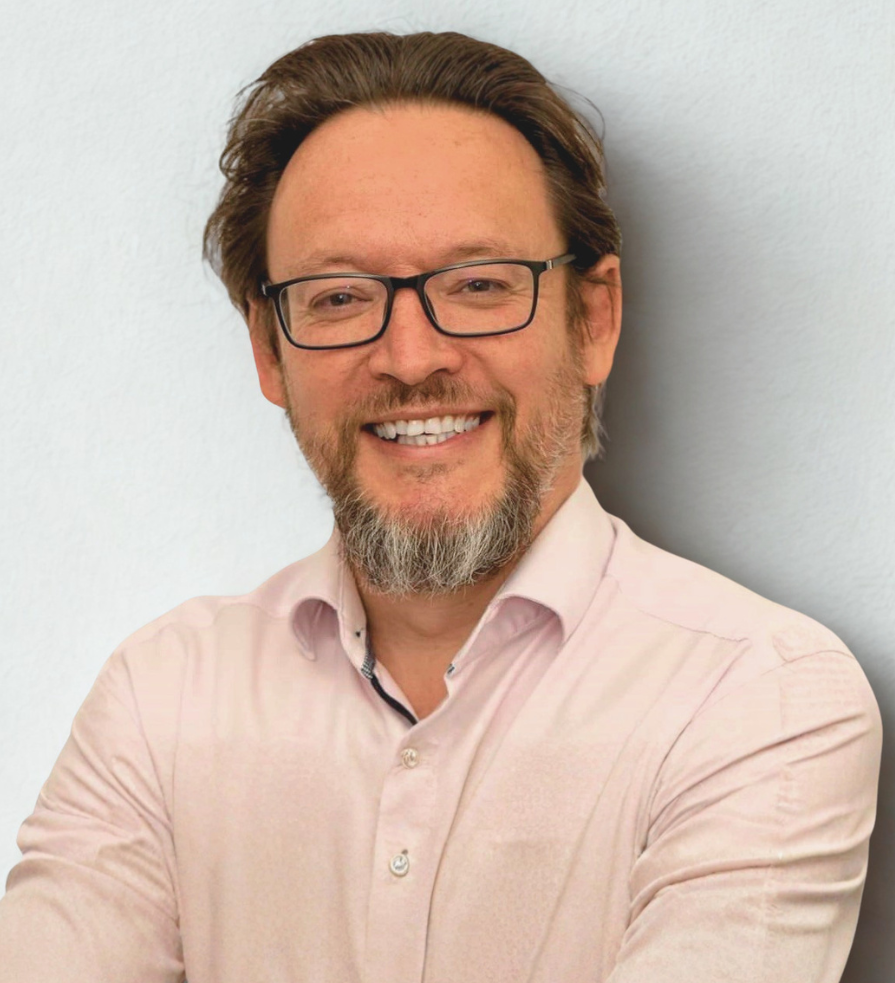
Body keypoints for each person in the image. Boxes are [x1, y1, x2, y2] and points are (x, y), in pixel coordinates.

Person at [0, 30, 881, 983]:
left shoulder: (756, 695)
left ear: (592, 320)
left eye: (478, 285)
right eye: (340, 297)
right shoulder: (163, 697)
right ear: (268, 350)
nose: (412, 358)